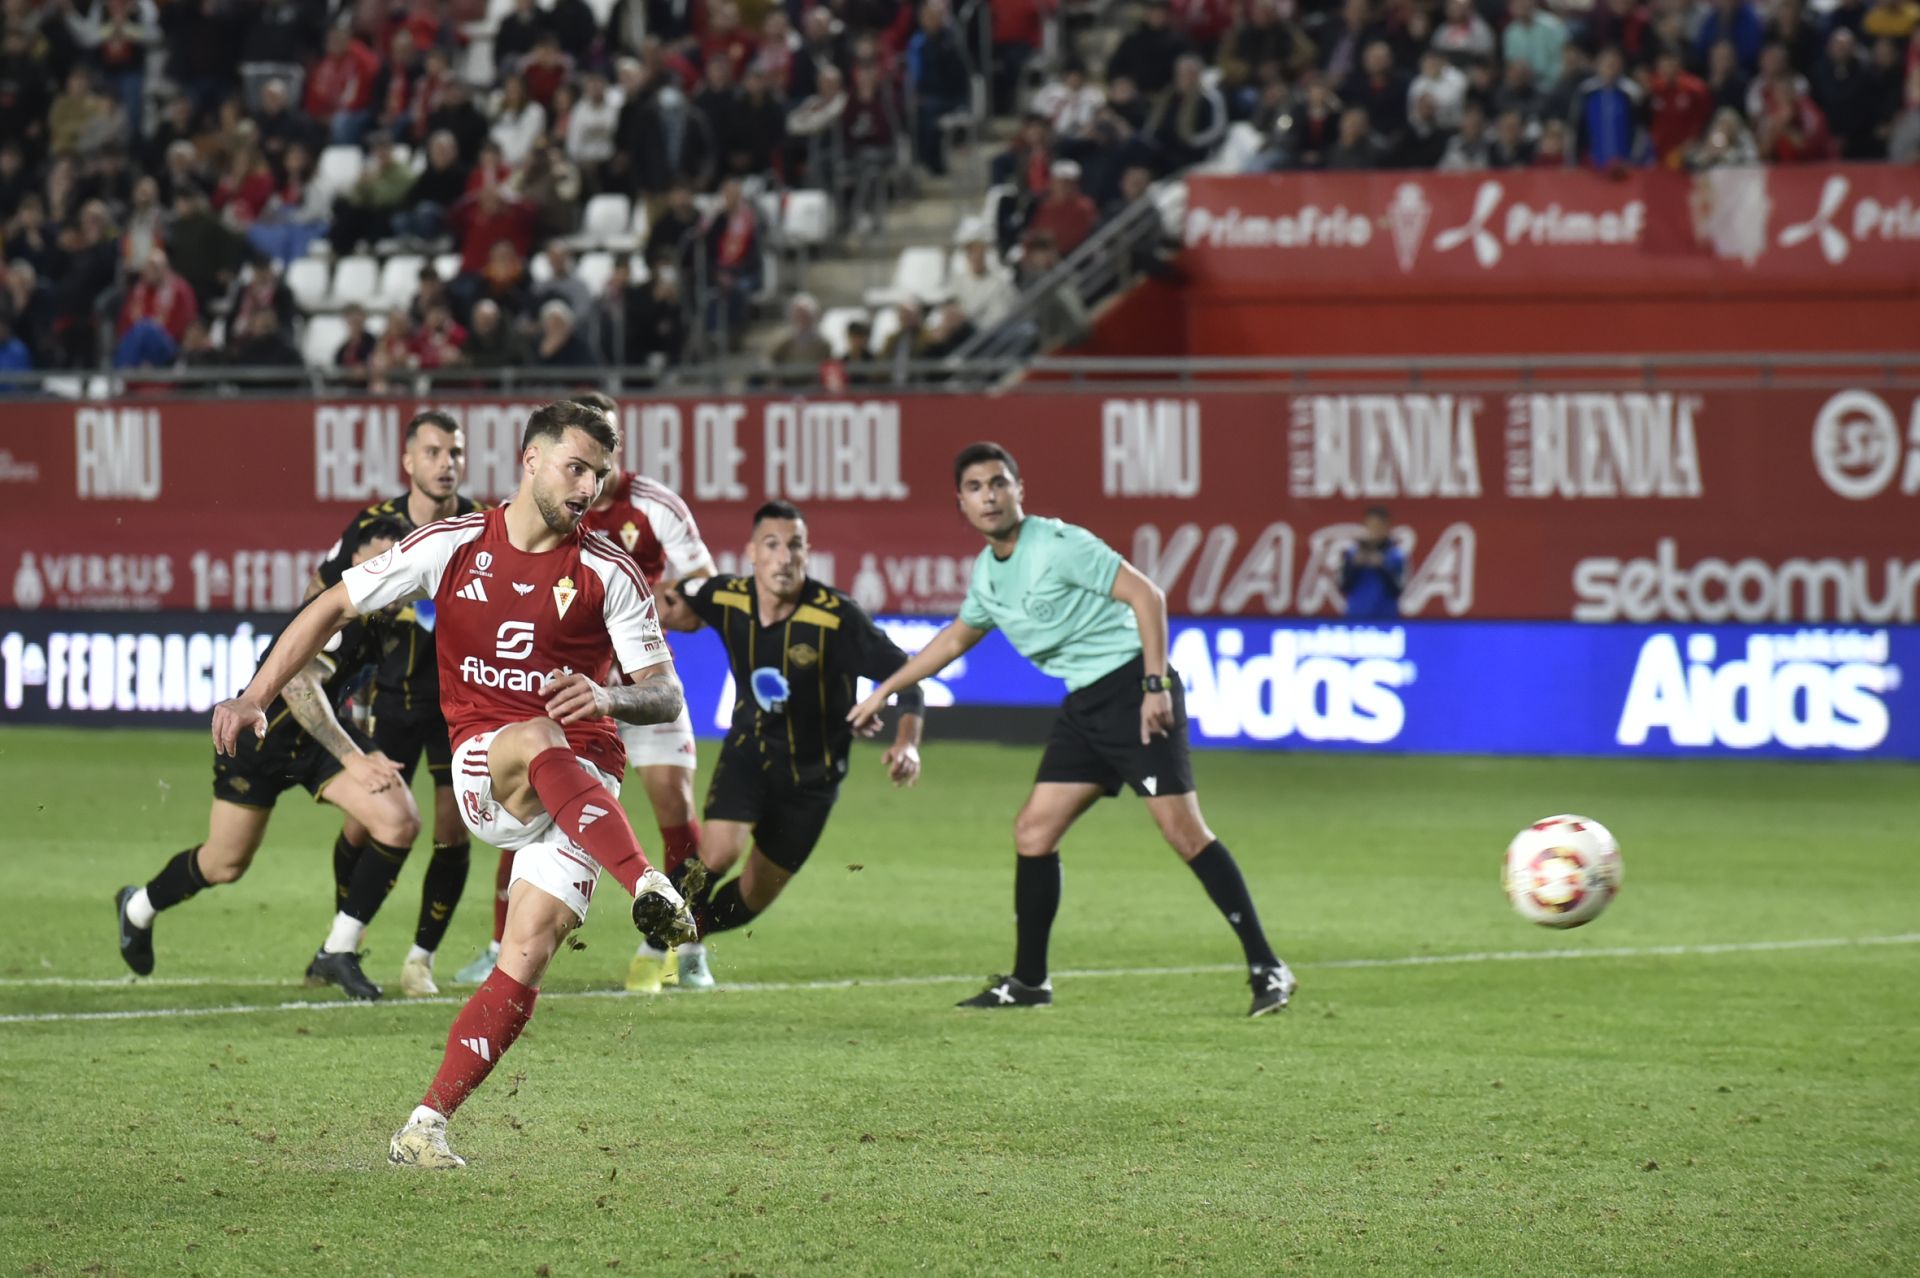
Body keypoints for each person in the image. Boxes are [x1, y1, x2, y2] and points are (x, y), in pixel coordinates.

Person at [211, 400, 698, 1170]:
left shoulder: (611, 570)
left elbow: (665, 694)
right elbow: (333, 603)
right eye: (575, 467)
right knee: (537, 732)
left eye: (598, 474)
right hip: (490, 770)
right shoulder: (453, 546)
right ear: (531, 460)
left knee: (529, 950)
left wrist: (609, 697)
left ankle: (425, 1124)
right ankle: (648, 884)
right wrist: (253, 696)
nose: (586, 488)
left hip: (585, 781)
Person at [848, 444, 1294, 1018]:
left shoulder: (1059, 545)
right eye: (976, 487)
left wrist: (1156, 686)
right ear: (961, 503)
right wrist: (885, 689)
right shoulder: (989, 573)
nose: (989, 495)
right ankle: (1030, 981)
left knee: (1185, 834)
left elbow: (1147, 597)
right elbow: (954, 640)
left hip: (1134, 692)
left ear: (1018, 490)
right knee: (1033, 832)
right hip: (1086, 706)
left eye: (998, 483)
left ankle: (1267, 966)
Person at [455, 392, 719, 992]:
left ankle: (688, 946)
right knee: (534, 797)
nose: (591, 477)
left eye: (603, 459)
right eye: (581, 461)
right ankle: (501, 943)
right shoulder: (547, 501)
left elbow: (704, 590)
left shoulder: (654, 506)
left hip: (637, 684)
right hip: (559, 689)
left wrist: (665, 607)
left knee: (674, 802)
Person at [116, 521, 419, 998]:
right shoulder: (338, 613)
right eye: (377, 560)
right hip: (263, 741)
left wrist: (364, 744)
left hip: (318, 745)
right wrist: (355, 757)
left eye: (397, 561)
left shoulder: (386, 624)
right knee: (225, 864)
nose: (388, 572)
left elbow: (344, 692)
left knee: (398, 820)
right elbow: (299, 685)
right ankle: (137, 908)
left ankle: (336, 951)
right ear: (355, 564)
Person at [656, 501, 923, 987]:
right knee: (716, 853)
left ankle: (694, 936)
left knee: (756, 894)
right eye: (773, 545)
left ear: (807, 554)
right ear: (752, 554)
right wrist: (664, 610)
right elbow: (680, 596)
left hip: (813, 780)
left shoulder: (836, 617)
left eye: (795, 546)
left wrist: (907, 743)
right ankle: (654, 946)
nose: (784, 557)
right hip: (749, 757)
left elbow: (910, 679)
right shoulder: (727, 595)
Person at [304, 411, 483, 998]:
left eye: (454, 453)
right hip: (391, 703)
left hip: (461, 707)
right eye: (433, 452)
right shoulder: (377, 525)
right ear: (408, 462)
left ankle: (420, 960)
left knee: (452, 832)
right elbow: (320, 592)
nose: (446, 463)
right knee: (363, 828)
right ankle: (342, 939)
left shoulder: (483, 526)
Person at [1339, 505, 1405, 620]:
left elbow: (1398, 590)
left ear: (1387, 527)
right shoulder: (1353, 553)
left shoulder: (1396, 556)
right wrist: (1355, 566)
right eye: (1371, 525)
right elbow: (1344, 586)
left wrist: (1381, 566)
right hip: (1356, 617)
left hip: (1386, 619)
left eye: (1378, 526)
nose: (1374, 530)